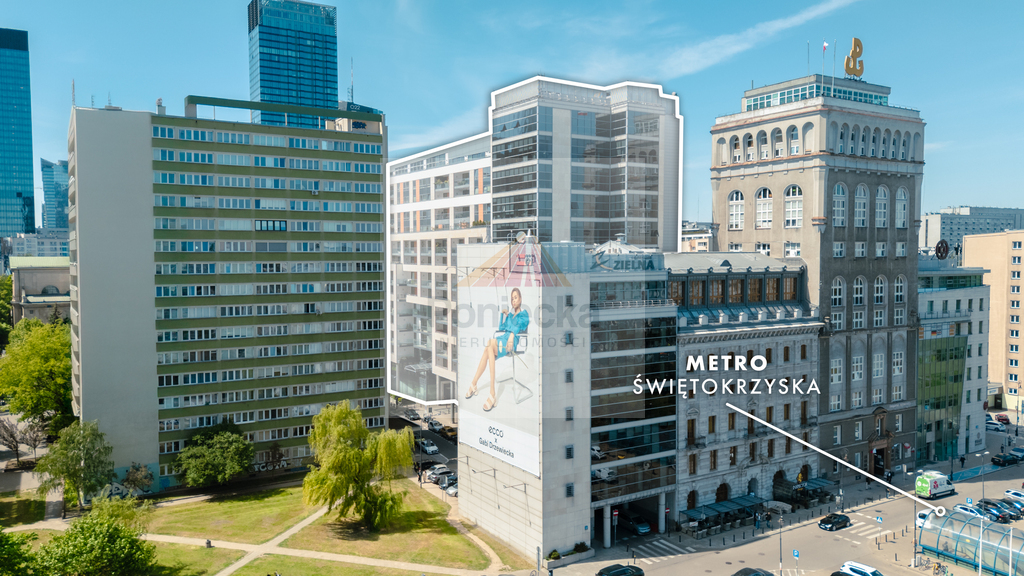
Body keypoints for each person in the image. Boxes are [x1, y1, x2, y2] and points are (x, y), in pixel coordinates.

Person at [465, 287, 530, 412]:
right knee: (487, 348)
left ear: (520, 299)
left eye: (515, 297)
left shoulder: (524, 314)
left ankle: (487, 391)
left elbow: (521, 325)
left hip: (510, 344)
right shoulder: (510, 316)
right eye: (512, 299)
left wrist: (512, 335)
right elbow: (501, 327)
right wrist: (503, 314)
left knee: (489, 345)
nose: (513, 300)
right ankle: (479, 386)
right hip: (502, 339)